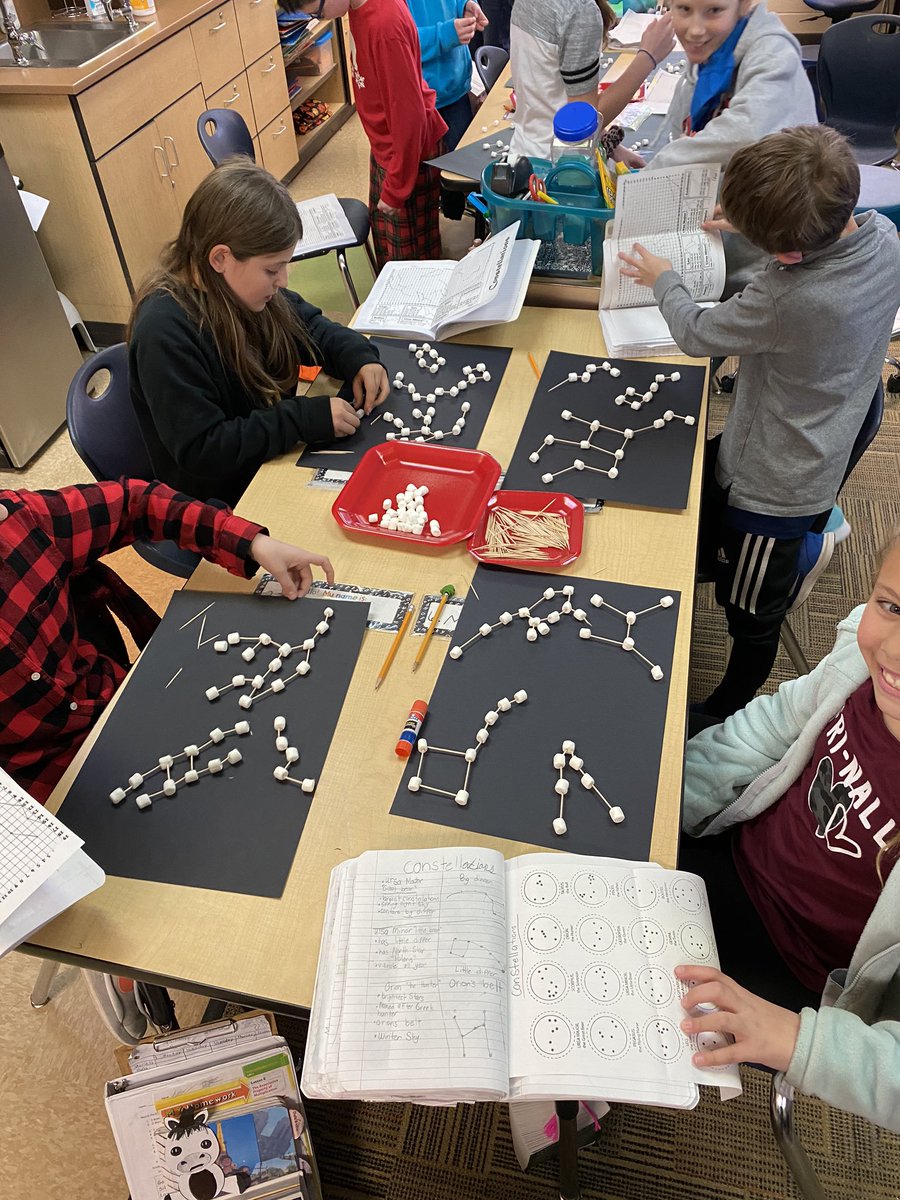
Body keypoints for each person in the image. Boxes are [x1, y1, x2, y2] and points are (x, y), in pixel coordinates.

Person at [619, 126, 900, 717]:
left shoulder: (785, 298)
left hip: (774, 492)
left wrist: (663, 278)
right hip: (838, 420)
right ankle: (798, 541)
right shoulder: (885, 236)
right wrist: (758, 228)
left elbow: (698, 333)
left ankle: (728, 704)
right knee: (689, 504)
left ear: (788, 254)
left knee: (750, 611)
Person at [673, 529, 900, 1133]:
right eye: (892, 606)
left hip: (793, 968)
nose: (895, 651)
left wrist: (800, 1041)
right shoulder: (860, 666)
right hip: (737, 848)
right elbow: (769, 727)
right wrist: (668, 800)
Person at [0, 478, 334, 806]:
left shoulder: (19, 521)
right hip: (42, 786)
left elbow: (136, 503)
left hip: (116, 698)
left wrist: (251, 543)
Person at [129, 159, 388, 507]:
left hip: (264, 460)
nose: (282, 280)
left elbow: (310, 327)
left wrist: (358, 357)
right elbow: (205, 450)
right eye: (272, 269)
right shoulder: (164, 332)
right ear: (220, 258)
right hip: (221, 501)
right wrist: (302, 419)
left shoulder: (238, 288)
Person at [644, 0, 817, 291]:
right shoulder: (711, 52)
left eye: (714, 11)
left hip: (770, 269)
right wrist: (657, 158)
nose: (695, 29)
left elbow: (746, 131)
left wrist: (661, 164)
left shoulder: (773, 53)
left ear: (744, 4)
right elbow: (686, 132)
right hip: (718, 253)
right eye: (683, 9)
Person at [289, 0, 447, 268]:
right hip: (388, 147)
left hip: (407, 153)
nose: (320, 17)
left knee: (411, 265)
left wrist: (396, 187)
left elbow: (410, 119)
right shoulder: (358, 7)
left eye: (317, 11)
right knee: (387, 245)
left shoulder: (385, 26)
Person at [508, 0, 674, 162]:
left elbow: (549, 93)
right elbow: (581, 121)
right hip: (562, 166)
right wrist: (647, 57)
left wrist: (609, 146)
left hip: (524, 155)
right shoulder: (579, 10)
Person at [407, 0, 487, 152]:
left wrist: (465, 6)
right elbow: (396, 40)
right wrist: (444, 35)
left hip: (457, 90)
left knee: (467, 160)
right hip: (422, 104)